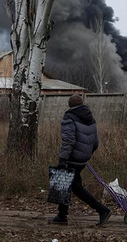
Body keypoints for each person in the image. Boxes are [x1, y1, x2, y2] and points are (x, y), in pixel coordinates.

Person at [49, 94, 111, 226]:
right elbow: (95, 142)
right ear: (82, 103)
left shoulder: (69, 117)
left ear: (70, 105)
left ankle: (102, 210)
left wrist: (62, 159)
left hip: (72, 158)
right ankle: (61, 215)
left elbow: (69, 140)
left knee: (75, 187)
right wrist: (87, 154)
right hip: (83, 158)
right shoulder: (90, 118)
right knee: (65, 184)